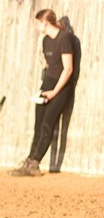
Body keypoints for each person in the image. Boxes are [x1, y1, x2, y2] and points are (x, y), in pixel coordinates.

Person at [10, 9, 77, 177]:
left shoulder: (64, 39)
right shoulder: (46, 41)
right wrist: (43, 88)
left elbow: (68, 68)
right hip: (47, 83)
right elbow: (49, 67)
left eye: (38, 23)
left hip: (61, 87)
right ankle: (30, 159)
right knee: (38, 124)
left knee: (48, 124)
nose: (36, 27)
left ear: (45, 22)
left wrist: (54, 91)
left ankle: (35, 163)